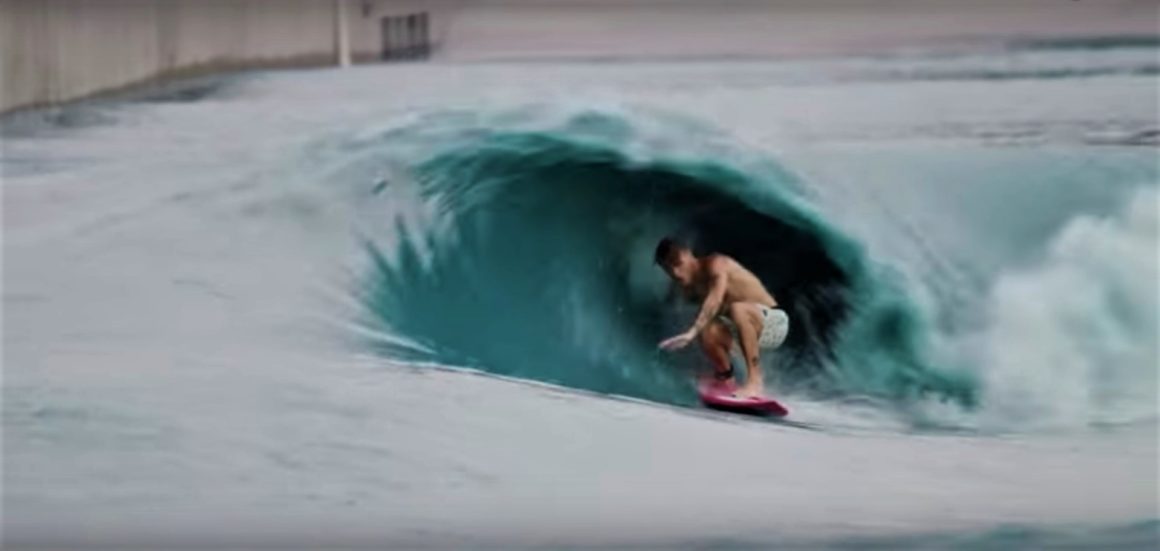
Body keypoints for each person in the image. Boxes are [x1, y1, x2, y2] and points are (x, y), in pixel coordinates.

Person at [654, 237, 789, 398]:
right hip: (744, 330)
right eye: (668, 269)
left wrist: (691, 333)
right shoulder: (688, 289)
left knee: (736, 309)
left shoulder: (716, 264)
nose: (675, 273)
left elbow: (715, 300)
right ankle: (725, 378)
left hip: (775, 323)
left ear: (689, 254)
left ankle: (755, 382)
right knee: (708, 331)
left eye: (678, 264)